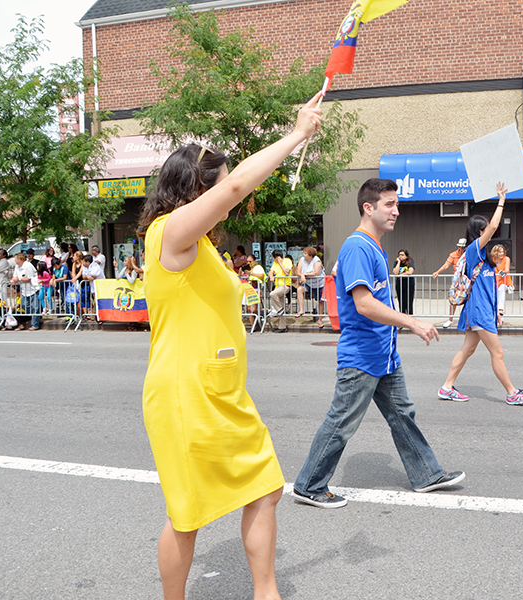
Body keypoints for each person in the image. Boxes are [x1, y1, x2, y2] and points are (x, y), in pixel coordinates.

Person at [135, 92, 322, 600]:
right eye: (218, 185)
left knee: (265, 487)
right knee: (187, 515)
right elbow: (239, 184)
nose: (229, 193)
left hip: (219, 393)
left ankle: (266, 592)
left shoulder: (204, 247)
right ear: (199, 188)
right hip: (185, 393)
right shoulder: (168, 234)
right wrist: (296, 134)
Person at [293, 178, 464, 509]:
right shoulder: (358, 246)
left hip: (383, 356)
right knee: (342, 421)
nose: (396, 211)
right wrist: (412, 321)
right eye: (389, 204)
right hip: (362, 356)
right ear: (368, 208)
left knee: (402, 414)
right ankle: (310, 484)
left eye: (397, 204)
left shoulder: (374, 246)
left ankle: (427, 473)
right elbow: (364, 304)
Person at [438, 182, 523, 405]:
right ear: (479, 231)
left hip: (481, 310)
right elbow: (494, 227)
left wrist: (497, 312)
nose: (491, 230)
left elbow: (490, 288)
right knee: (497, 352)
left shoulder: (483, 256)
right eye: (485, 228)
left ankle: (446, 387)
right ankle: (512, 393)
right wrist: (501, 200)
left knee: (467, 349)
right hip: (478, 310)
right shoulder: (474, 249)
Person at [432, 238, 466, 328]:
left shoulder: (468, 254)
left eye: (464, 247)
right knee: (452, 299)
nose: (462, 249)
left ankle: (467, 319)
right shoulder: (453, 254)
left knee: (468, 299)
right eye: (461, 247)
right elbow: (447, 264)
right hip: (456, 280)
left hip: (466, 280)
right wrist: (437, 271)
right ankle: (450, 319)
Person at [9, 252, 41, 331]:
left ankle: (35, 324)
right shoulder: (17, 267)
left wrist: (19, 279)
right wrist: (12, 280)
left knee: (35, 307)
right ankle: (35, 316)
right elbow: (14, 276)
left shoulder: (27, 266)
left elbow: (29, 278)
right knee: (24, 305)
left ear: (20, 259)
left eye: (16, 258)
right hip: (24, 290)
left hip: (33, 289)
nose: (15, 260)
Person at [295, 245, 325, 325]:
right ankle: (301, 309)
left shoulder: (316, 260)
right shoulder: (302, 260)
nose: (304, 255)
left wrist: (304, 274)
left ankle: (320, 319)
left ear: (310, 255)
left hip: (319, 283)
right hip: (308, 283)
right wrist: (301, 275)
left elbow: (316, 272)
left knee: (320, 301)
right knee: (300, 289)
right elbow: (298, 272)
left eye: (305, 253)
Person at [268, 249, 292, 332]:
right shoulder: (274, 264)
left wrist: (280, 263)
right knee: (281, 305)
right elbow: (271, 271)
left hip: (285, 285)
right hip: (278, 286)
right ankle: (282, 327)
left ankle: (279, 310)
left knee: (272, 294)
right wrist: (271, 276)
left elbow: (287, 273)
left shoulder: (287, 261)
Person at [491, 244, 513, 318]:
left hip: (504, 281)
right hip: (494, 281)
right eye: (500, 252)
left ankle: (501, 309)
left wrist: (500, 273)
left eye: (503, 252)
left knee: (501, 289)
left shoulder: (506, 259)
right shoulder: (492, 260)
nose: (502, 254)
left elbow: (506, 270)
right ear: (495, 252)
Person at [392, 249, 415, 315]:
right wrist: (398, 262)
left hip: (409, 284)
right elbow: (395, 272)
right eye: (399, 255)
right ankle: (402, 317)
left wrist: (400, 275)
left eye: (402, 255)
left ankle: (410, 317)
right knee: (401, 302)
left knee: (409, 302)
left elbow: (410, 272)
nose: (400, 256)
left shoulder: (410, 262)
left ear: (406, 256)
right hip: (399, 284)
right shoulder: (396, 263)